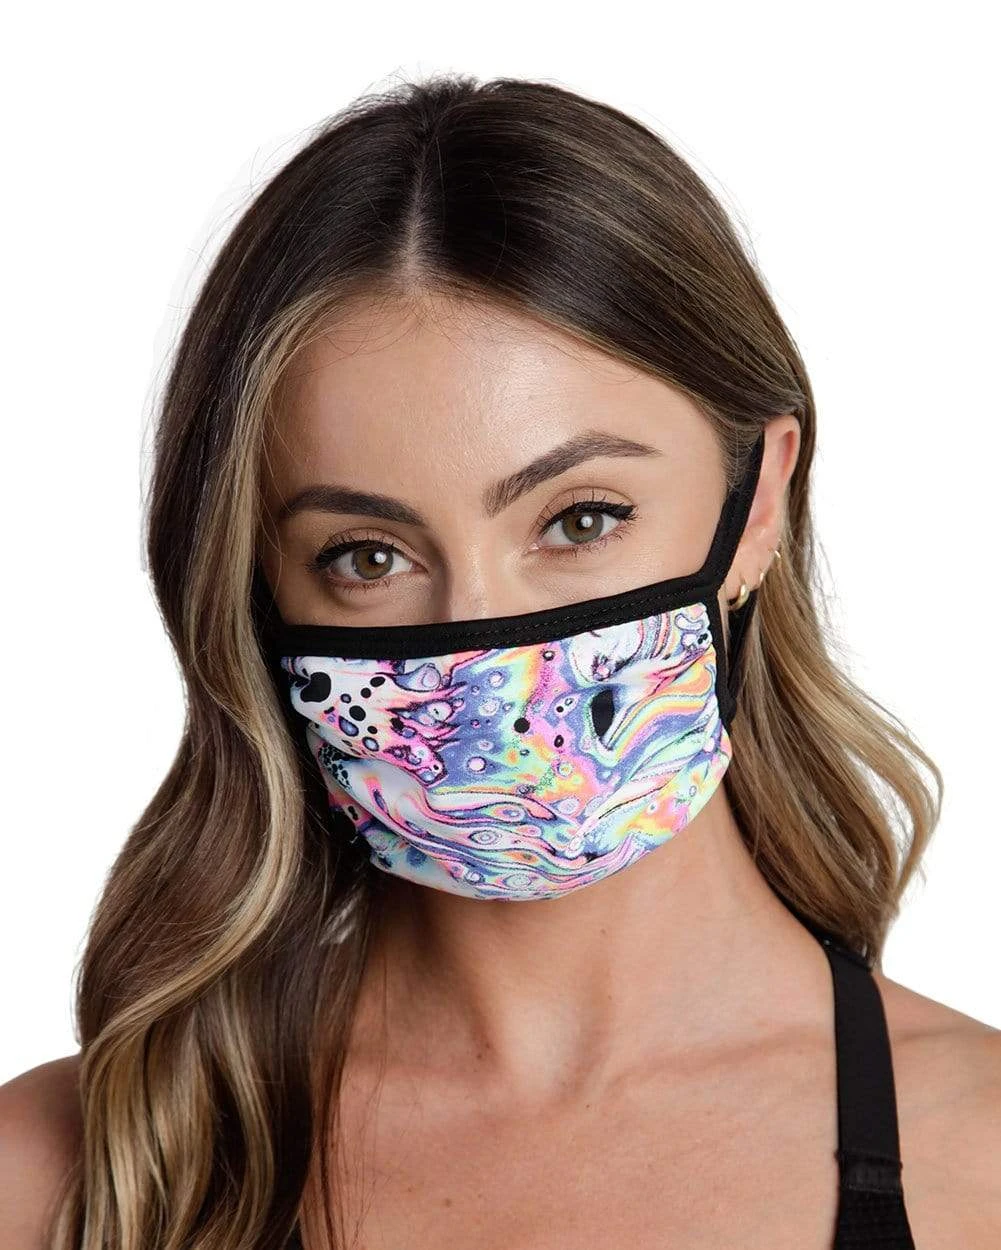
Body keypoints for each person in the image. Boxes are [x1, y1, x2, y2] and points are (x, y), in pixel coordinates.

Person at [2, 72, 999, 1250]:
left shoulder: (978, 1155)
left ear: (760, 502)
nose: (482, 640)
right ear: (255, 588)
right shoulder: (70, 1175)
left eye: (580, 519)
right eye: (366, 555)